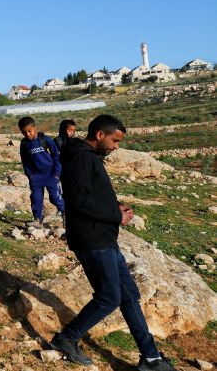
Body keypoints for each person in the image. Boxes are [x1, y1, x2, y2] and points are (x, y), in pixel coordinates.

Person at [49, 115, 176, 371]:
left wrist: (115, 207)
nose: (116, 146)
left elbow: (91, 194)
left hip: (104, 237)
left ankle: (150, 358)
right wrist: (117, 215)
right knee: (109, 297)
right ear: (99, 135)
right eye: (114, 140)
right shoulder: (81, 157)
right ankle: (66, 339)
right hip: (92, 239)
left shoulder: (88, 156)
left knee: (130, 295)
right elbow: (79, 201)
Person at [18, 116, 65, 228]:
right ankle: (37, 219)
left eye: (30, 131)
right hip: (36, 176)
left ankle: (65, 214)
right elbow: (25, 161)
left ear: (35, 128)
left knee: (55, 197)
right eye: (24, 133)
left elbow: (56, 156)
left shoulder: (45, 139)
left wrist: (56, 173)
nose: (28, 134)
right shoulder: (24, 144)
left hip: (51, 174)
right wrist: (30, 175)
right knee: (36, 198)